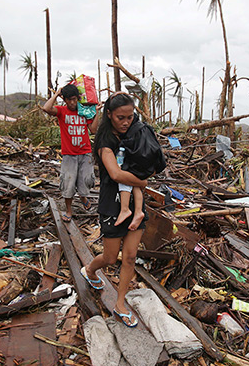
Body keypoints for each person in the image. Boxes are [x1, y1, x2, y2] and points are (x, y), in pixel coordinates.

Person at [81, 93, 163, 328]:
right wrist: (143, 182)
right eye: (120, 118)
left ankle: (120, 304)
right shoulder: (105, 141)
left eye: (129, 117)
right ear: (109, 115)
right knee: (109, 257)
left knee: (129, 257)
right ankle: (90, 270)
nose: (125, 122)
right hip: (112, 203)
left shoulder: (134, 133)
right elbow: (115, 174)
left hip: (135, 205)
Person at [42, 84, 100, 222]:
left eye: (74, 99)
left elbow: (93, 130)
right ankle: (69, 210)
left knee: (86, 180)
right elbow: (46, 108)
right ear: (65, 100)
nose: (72, 103)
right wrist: (57, 94)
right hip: (69, 154)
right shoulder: (61, 111)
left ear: (78, 98)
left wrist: (96, 112)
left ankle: (83, 196)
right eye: (69, 100)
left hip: (85, 153)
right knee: (68, 183)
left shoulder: (84, 111)